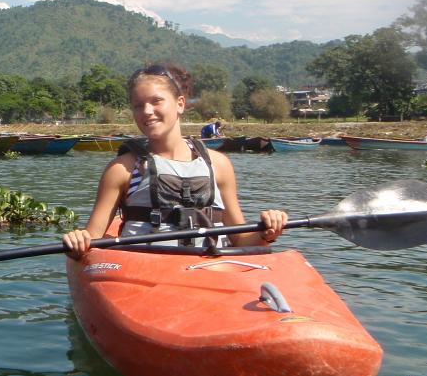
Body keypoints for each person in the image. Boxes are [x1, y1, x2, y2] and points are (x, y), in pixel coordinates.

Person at [63, 64, 287, 257]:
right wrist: (79, 242)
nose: (147, 111)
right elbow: (93, 239)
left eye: (156, 101)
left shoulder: (218, 165)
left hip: (210, 271)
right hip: (142, 275)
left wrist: (267, 232)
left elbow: (241, 240)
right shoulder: (123, 169)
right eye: (138, 105)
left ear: (180, 103)